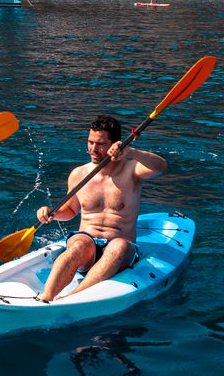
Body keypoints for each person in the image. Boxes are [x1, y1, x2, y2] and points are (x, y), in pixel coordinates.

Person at [34, 115, 167, 302]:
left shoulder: (132, 170)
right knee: (78, 245)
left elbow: (161, 166)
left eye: (101, 144)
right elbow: (70, 210)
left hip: (120, 250)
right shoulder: (79, 174)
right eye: (90, 142)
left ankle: (73, 297)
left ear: (115, 144)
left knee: (119, 246)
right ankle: (46, 297)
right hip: (87, 245)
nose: (93, 149)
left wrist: (131, 152)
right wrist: (52, 213)